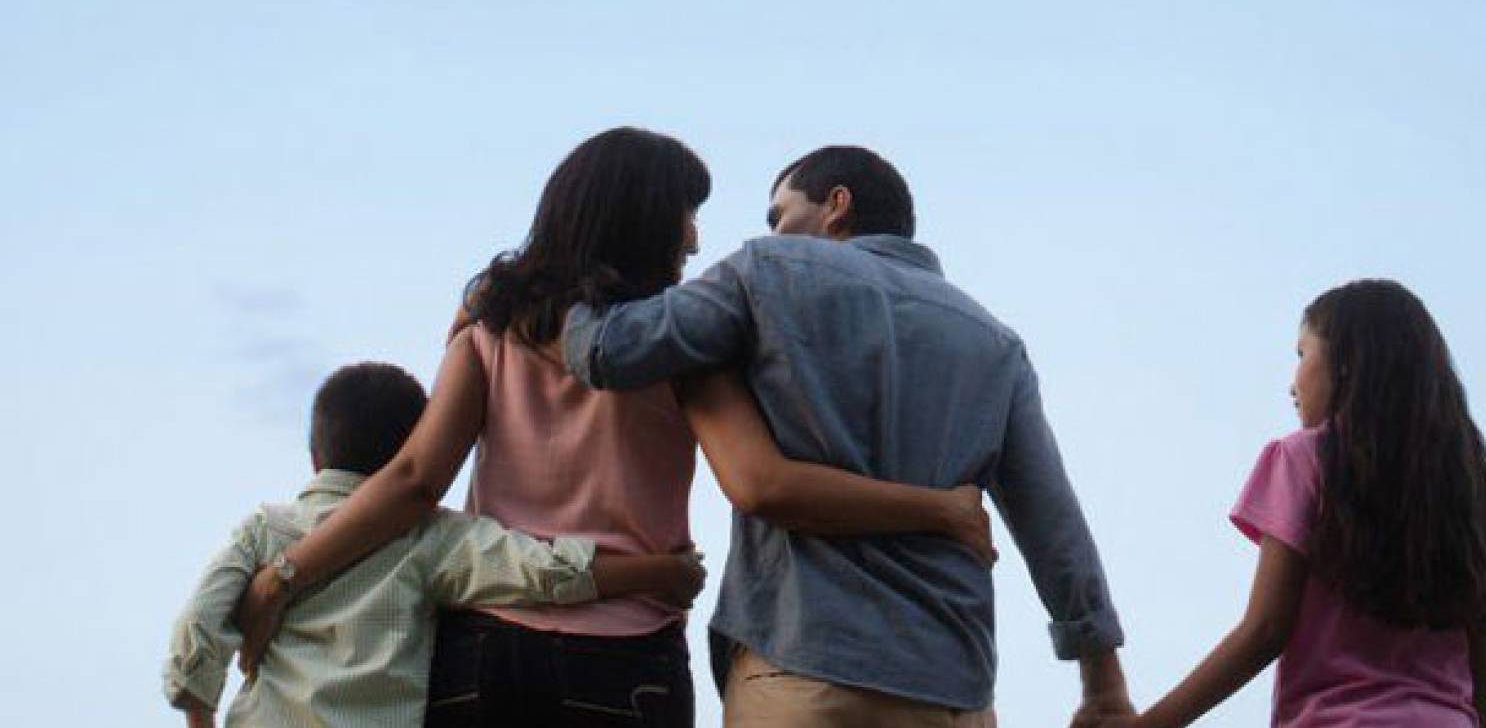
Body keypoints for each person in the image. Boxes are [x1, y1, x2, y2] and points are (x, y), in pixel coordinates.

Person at [234, 128, 993, 728]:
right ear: (641, 220)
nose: (695, 240)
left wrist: (285, 574)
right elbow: (761, 481)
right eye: (686, 214)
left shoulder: (491, 328)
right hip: (624, 659)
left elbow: (412, 481)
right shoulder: (690, 350)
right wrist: (940, 506)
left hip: (484, 651)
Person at [563, 145, 1132, 727]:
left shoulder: (767, 271)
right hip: (953, 691)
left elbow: (609, 350)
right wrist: (1102, 684)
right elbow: (1052, 522)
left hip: (805, 669)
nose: (772, 231)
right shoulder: (995, 343)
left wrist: (562, 280)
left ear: (837, 206)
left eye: (779, 215)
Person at [163, 362, 705, 728]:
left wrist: (202, 717)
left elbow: (198, 626)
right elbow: (542, 572)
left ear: (314, 456)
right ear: (417, 451)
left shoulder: (265, 528)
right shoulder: (428, 536)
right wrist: (660, 573)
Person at [1112, 280, 1486, 728]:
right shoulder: (1463, 487)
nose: (1292, 383)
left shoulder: (1304, 458)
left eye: (1301, 355)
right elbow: (1485, 686)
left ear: (1347, 363)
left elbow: (1265, 631)